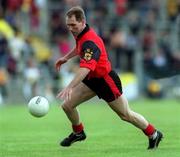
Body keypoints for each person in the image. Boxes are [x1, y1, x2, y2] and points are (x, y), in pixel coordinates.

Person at [55, 6, 163, 149]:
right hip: (92, 80)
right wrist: (66, 58)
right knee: (67, 105)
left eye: (73, 25)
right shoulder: (80, 34)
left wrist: (70, 87)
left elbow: (85, 68)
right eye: (68, 25)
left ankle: (154, 134)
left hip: (106, 81)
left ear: (82, 22)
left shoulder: (90, 41)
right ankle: (79, 132)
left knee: (126, 115)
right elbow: (79, 48)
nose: (70, 28)